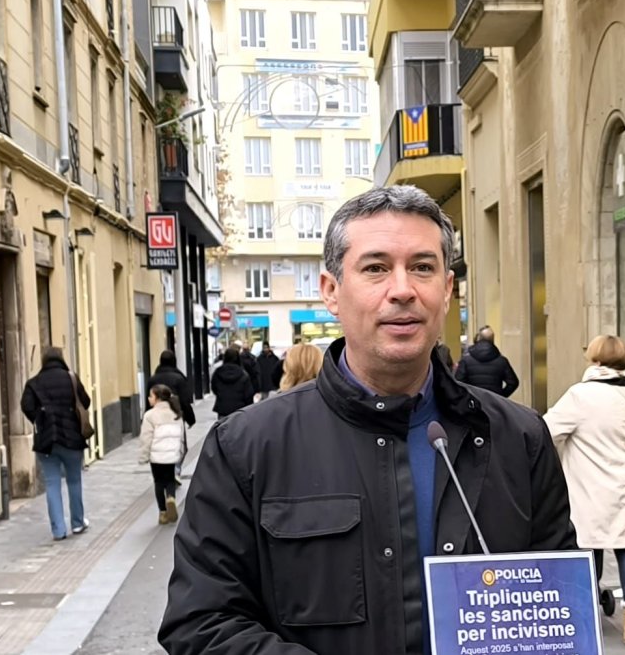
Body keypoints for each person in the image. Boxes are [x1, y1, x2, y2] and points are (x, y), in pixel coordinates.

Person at [159, 185, 577, 655]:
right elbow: (202, 623)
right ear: (331, 291)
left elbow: (561, 610)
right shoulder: (246, 446)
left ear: (447, 291)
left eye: (422, 267)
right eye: (376, 268)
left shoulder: (519, 438)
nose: (402, 290)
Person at [544, 335, 625, 649]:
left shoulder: (579, 395)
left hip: (591, 482)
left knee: (588, 543)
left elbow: (547, 431)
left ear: (594, 360)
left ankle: (587, 611)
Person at [21, 347, 91, 541]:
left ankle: (58, 530)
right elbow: (85, 401)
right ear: (61, 359)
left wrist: (40, 418)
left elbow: (26, 406)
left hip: (47, 440)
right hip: (72, 438)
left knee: (52, 483)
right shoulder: (71, 378)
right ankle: (77, 523)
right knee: (74, 480)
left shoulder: (34, 382)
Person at [138, 384, 186, 525]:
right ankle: (171, 497)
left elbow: (146, 438)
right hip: (172, 455)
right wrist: (180, 452)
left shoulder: (150, 415)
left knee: (159, 482)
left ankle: (163, 513)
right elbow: (181, 437)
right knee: (170, 479)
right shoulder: (176, 413)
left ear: (157, 398)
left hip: (156, 456)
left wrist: (143, 456)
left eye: (151, 396)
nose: (149, 398)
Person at [148, 350, 195, 479]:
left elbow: (148, 401)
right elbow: (185, 401)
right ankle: (175, 470)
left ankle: (166, 472)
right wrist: (190, 419)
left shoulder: (153, 380)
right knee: (179, 445)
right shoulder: (179, 379)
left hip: (157, 418)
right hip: (176, 417)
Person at [454, 326, 519, 397]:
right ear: (493, 339)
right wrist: (501, 397)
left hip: (473, 400)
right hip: (494, 401)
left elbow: (458, 382)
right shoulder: (502, 361)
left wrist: (466, 397)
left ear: (479, 338)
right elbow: (513, 383)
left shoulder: (466, 360)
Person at [210, 347, 254, 418]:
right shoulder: (243, 374)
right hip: (239, 409)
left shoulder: (218, 372)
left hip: (223, 408)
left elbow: (214, 387)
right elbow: (248, 394)